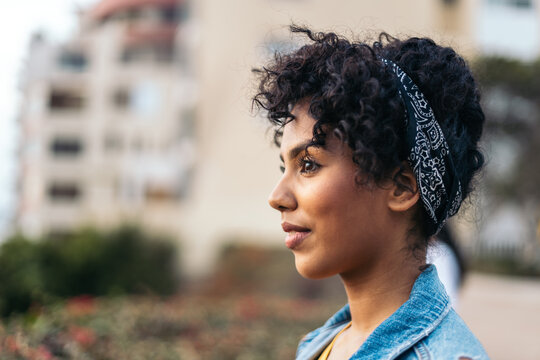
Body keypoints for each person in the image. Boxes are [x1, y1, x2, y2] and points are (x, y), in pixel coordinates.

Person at [253, 26, 489, 360]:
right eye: (284, 168)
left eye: (308, 165)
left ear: (402, 186)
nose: (277, 197)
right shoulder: (320, 345)